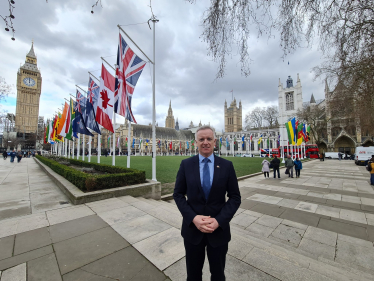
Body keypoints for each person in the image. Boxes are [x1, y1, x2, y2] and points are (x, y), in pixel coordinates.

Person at [173, 125, 241, 281]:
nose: (205, 142)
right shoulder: (186, 165)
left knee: (218, 275)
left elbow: (235, 197)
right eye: (201, 139)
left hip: (218, 231)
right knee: (193, 275)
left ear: (214, 142)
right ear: (195, 142)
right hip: (192, 231)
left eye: (209, 139)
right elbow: (178, 194)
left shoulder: (226, 166)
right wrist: (193, 218)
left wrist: (218, 221)